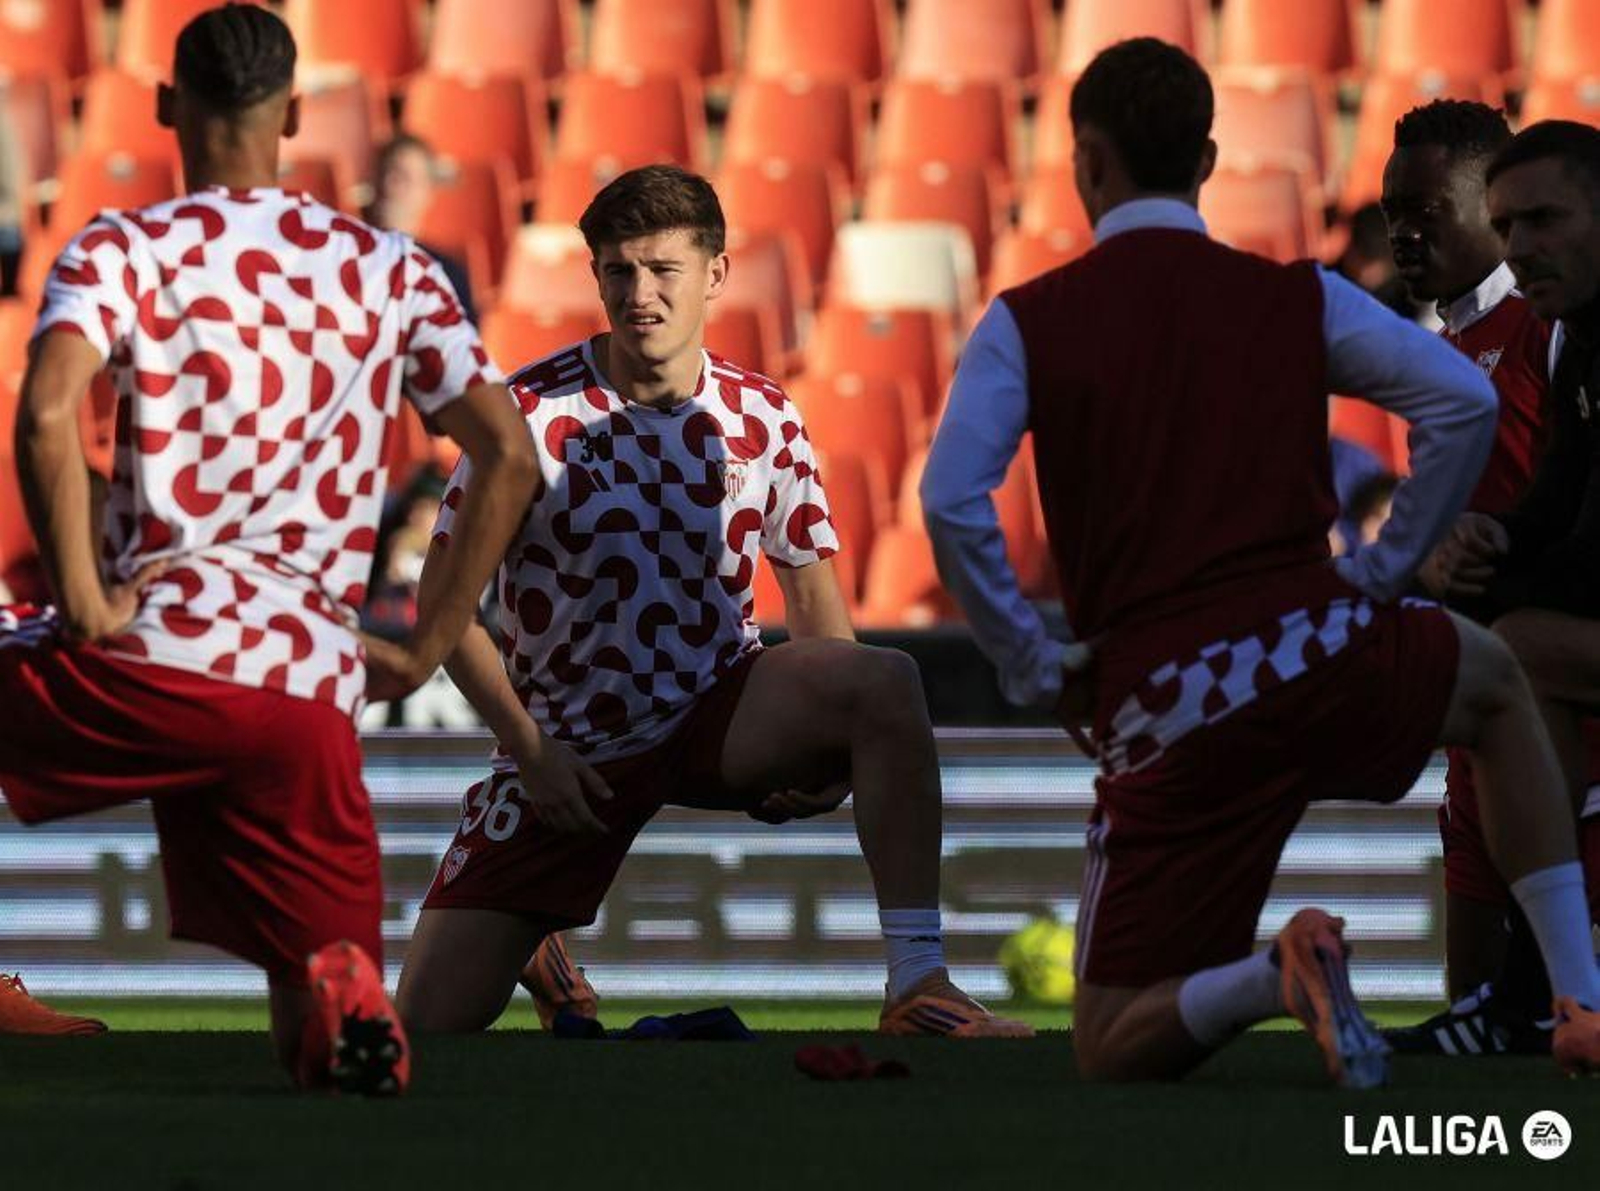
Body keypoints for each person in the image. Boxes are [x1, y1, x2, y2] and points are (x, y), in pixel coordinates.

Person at [921, 37, 1600, 1085]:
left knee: (1106, 1044)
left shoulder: (1028, 319)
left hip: (1172, 695)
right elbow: (1458, 404)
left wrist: (1031, 665)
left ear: (1085, 164)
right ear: (1205, 162)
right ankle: (1577, 1002)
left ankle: (1274, 976)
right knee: (1499, 686)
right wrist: (1379, 578)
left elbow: (952, 500)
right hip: (1323, 642)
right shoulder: (1298, 297)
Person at [0, 5, 538, 1092]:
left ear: (166, 108)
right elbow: (508, 456)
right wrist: (429, 642)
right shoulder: (393, 269)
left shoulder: (123, 248)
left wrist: (86, 605)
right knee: (319, 1006)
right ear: (294, 115)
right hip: (305, 686)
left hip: (153, 650)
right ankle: (333, 998)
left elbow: (50, 413)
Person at [395, 164, 1030, 1040]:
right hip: (572, 748)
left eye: (663, 270)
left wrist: (833, 750)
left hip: (718, 711)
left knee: (885, 683)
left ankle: (919, 978)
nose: (640, 293)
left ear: (716, 275)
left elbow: (817, 606)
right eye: (618, 271)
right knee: (427, 1030)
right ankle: (540, 944)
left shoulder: (764, 415)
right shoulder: (524, 419)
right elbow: (443, 612)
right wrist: (531, 751)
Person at [1380, 102, 1600, 1055]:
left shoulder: (1547, 333)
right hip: (1507, 641)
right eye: (1512, 227)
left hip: (1540, 644)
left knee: (1523, 671)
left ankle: (1534, 998)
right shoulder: (1529, 341)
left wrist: (1478, 578)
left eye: (1540, 222)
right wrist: (1473, 548)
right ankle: (1521, 1005)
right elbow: (1549, 507)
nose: (1404, 231)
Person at [365, 134, 477, 327]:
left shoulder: (445, 276)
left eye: (404, 178)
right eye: (385, 173)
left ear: (427, 193)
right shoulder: (341, 256)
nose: (390, 185)